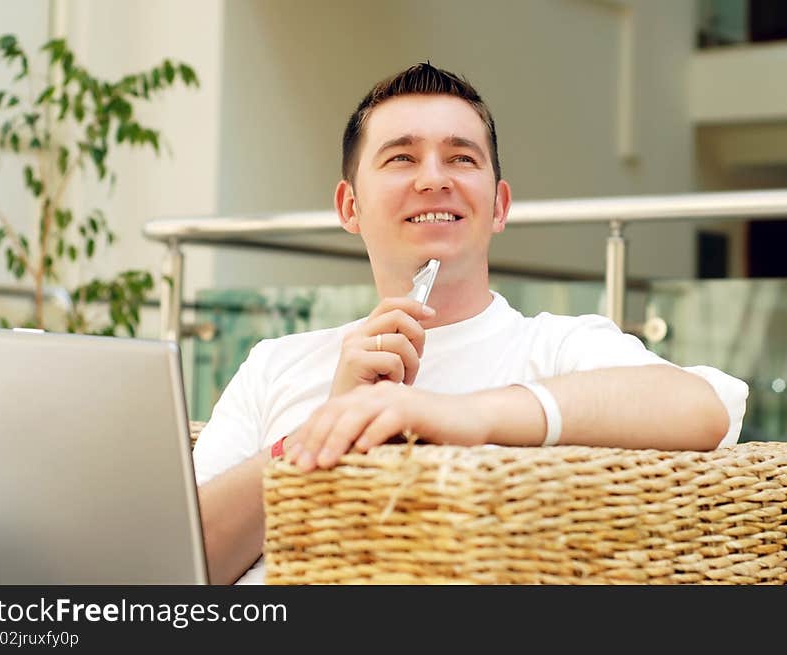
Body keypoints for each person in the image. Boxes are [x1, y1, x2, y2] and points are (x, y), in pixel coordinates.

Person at [192, 63, 749, 585]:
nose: (434, 179)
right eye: (401, 158)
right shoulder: (275, 363)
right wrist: (317, 433)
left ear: (499, 205)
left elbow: (705, 408)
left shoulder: (554, 348)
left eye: (461, 158)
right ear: (349, 206)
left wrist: (465, 415)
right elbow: (175, 565)